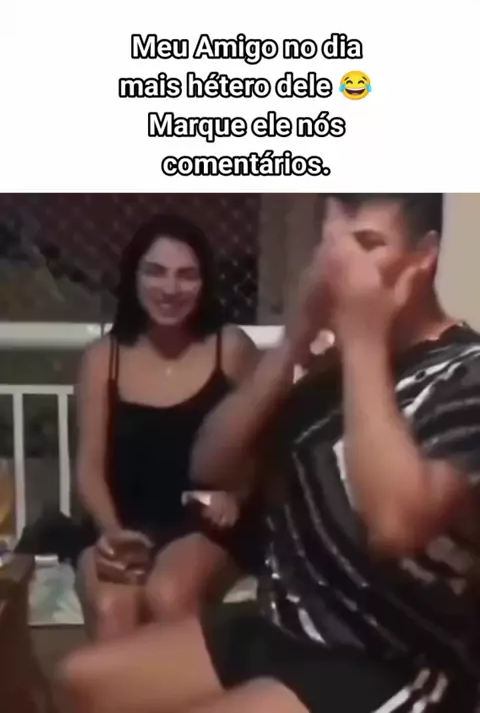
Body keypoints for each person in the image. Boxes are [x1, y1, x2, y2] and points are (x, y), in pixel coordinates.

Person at [56, 194, 480, 713]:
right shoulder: (328, 370)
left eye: (368, 245)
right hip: (289, 621)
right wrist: (293, 340)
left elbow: (395, 526)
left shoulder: (465, 373)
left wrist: (363, 342)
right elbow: (211, 465)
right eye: (332, 247)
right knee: (80, 681)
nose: (341, 267)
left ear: (423, 256)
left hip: (390, 656)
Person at [74, 212, 259, 640]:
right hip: (121, 520)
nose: (170, 289)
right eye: (155, 272)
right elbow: (89, 467)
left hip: (205, 526)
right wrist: (112, 533)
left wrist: (236, 494)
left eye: (186, 275)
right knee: (114, 605)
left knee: (168, 591)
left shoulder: (231, 349)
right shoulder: (101, 359)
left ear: (204, 282)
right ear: (133, 277)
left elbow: (263, 444)